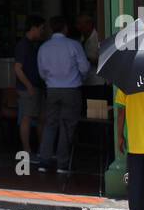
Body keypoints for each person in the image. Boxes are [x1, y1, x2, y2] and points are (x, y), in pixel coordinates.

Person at [36, 16, 90, 174]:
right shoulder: (74, 45)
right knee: (67, 127)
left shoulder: (44, 47)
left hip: (52, 89)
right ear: (65, 28)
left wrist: (51, 80)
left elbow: (42, 72)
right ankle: (62, 163)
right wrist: (81, 78)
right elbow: (85, 68)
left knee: (50, 125)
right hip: (71, 89)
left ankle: (44, 161)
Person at [12, 15, 46, 160]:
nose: (43, 32)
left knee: (39, 118)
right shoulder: (23, 45)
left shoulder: (32, 44)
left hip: (35, 86)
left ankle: (41, 150)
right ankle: (27, 151)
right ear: (34, 28)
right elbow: (17, 68)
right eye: (41, 28)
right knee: (27, 117)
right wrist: (29, 86)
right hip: (28, 88)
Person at [76, 11, 108, 98]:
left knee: (96, 110)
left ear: (89, 24)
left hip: (97, 82)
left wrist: (87, 59)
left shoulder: (99, 39)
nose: (78, 27)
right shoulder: (81, 39)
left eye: (80, 24)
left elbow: (105, 61)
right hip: (84, 82)